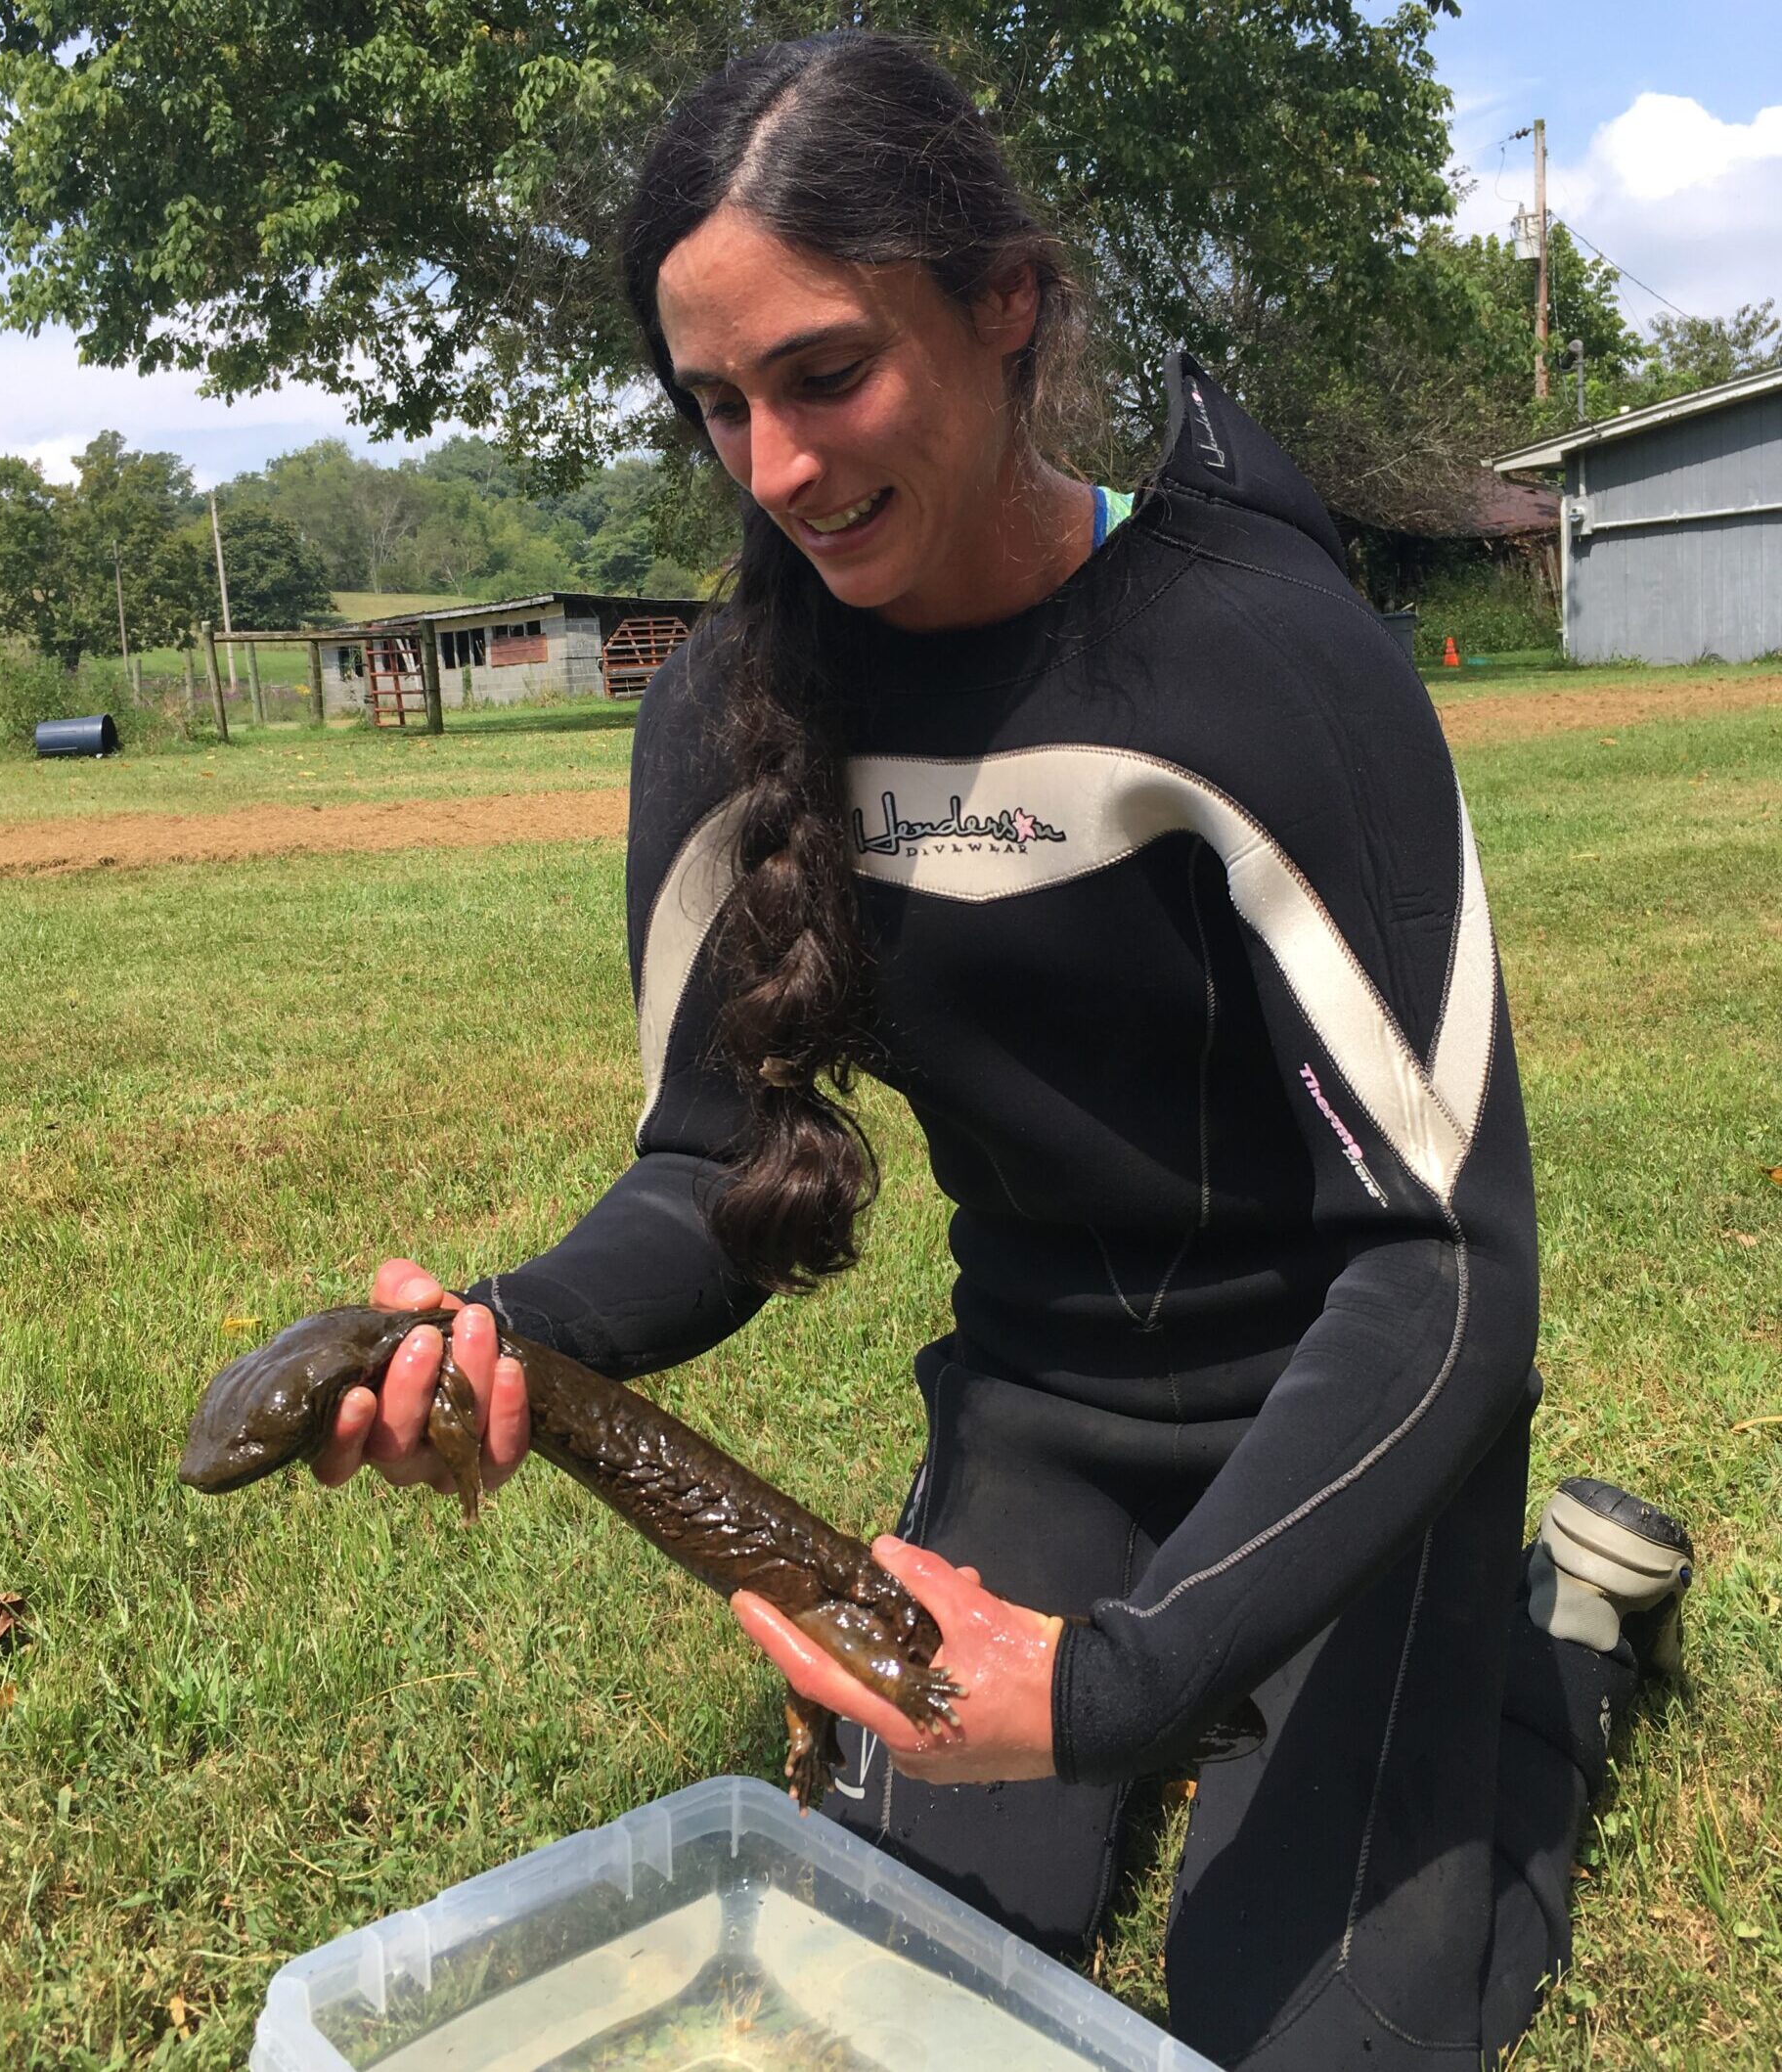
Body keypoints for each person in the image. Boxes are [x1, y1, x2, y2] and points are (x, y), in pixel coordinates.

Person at [308, 34, 1695, 2071]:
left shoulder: (1265, 655)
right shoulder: (722, 709)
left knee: (1304, 2031)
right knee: (894, 1990)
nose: (776, 467)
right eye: (718, 404)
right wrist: (505, 1332)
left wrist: (1123, 1682)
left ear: (1007, 305)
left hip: (1351, 1424)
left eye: (828, 373)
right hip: (1044, 1420)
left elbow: (1448, 1267)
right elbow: (703, 1176)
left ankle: (1556, 1660)